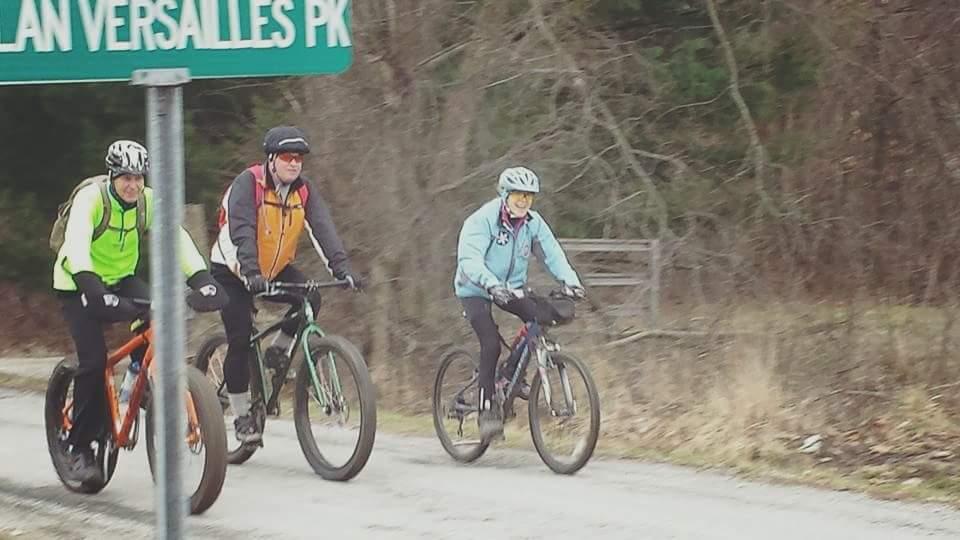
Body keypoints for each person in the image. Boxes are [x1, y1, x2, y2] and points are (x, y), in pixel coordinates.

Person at [53, 140, 229, 483]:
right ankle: (79, 446)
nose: (133, 185)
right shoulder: (91, 199)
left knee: (157, 318)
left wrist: (203, 280)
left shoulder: (147, 202)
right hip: (78, 283)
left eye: (138, 177)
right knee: (92, 362)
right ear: (111, 175)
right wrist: (94, 291)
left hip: (121, 278)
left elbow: (176, 239)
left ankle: (138, 382)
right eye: (125, 178)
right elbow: (75, 247)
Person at [209, 125, 362, 444]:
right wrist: (249, 273)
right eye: (287, 157)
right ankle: (241, 416)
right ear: (271, 159)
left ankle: (276, 353)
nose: (294, 163)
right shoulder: (247, 184)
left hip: (274, 267)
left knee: (311, 299)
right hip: (232, 267)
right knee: (239, 338)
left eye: (299, 158)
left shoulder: (303, 191)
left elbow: (323, 229)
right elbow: (240, 232)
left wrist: (342, 268)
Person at [454, 165, 586, 441]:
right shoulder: (482, 221)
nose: (524, 201)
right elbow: (469, 261)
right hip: (475, 288)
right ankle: (486, 409)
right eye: (518, 195)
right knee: (490, 343)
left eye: (529, 196)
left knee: (540, 318)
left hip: (511, 288)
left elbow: (552, 254)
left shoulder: (532, 222)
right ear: (505, 195)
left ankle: (513, 374)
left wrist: (571, 282)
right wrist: (490, 284)